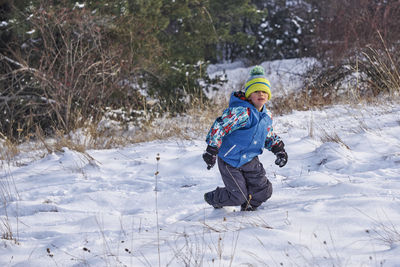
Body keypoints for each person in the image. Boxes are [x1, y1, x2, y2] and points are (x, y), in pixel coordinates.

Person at [202, 65, 288, 211]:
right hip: (230, 159)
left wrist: (279, 149)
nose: (260, 94)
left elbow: (267, 135)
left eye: (264, 91)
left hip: (251, 159)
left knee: (264, 191)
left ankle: (248, 207)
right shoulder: (241, 112)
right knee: (237, 195)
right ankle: (214, 198)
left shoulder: (266, 116)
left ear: (268, 95)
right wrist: (212, 149)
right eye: (256, 91)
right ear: (249, 95)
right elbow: (220, 126)